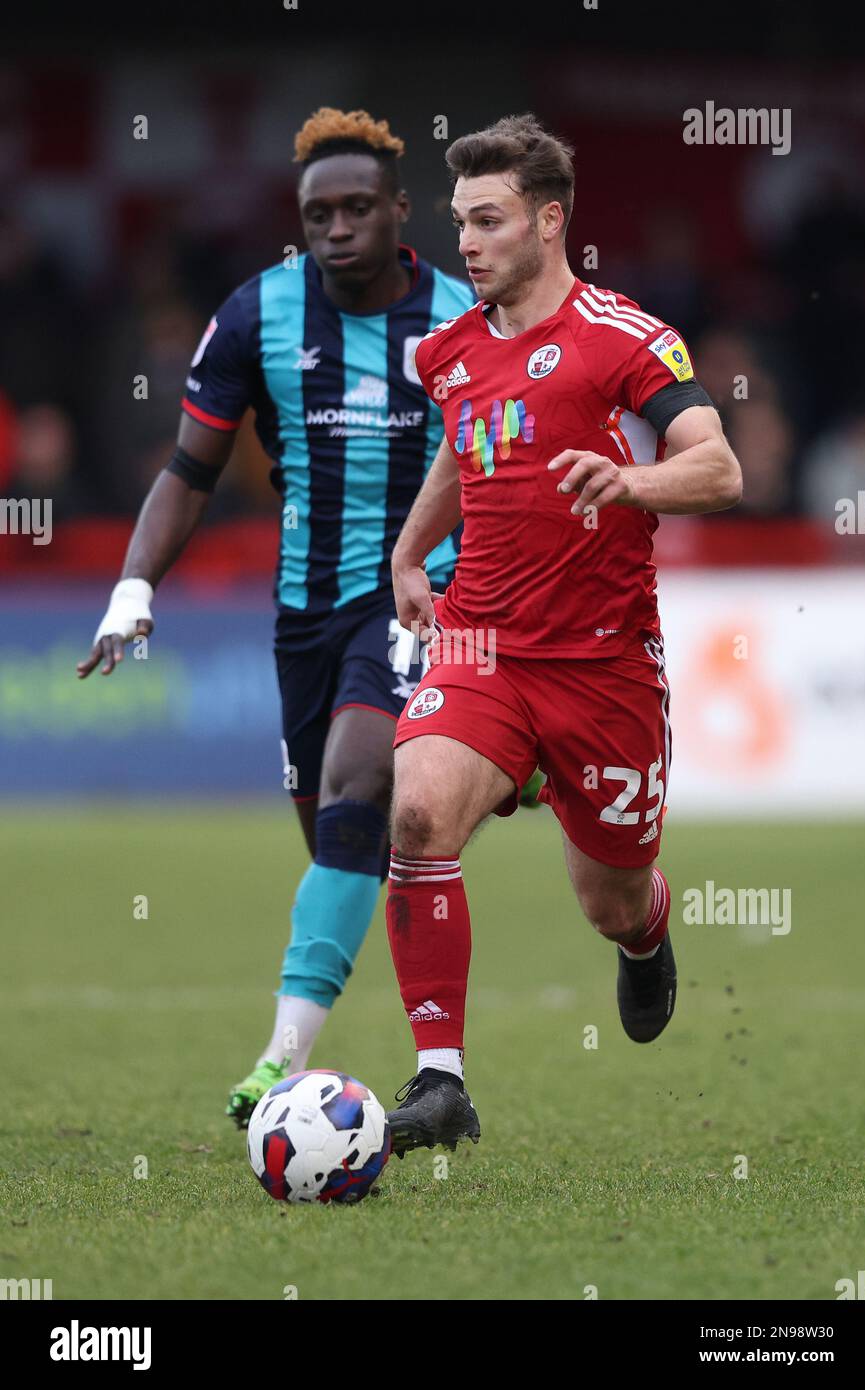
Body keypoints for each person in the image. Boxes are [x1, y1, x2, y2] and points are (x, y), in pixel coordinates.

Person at [76, 108, 474, 1126]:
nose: (336, 228)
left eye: (355, 209)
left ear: (397, 212)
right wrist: (134, 586)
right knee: (341, 833)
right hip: (300, 616)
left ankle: (277, 1066)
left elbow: (493, 467)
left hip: (413, 599)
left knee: (356, 782)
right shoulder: (257, 314)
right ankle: (410, 1029)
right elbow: (188, 469)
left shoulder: (458, 319)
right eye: (316, 214)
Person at [382, 113, 743, 1156]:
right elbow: (463, 454)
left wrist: (629, 479)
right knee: (414, 815)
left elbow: (717, 466)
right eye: (459, 221)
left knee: (609, 895)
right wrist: (411, 555)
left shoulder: (622, 338)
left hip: (602, 666)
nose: (467, 241)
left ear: (548, 223)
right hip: (481, 645)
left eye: (487, 221)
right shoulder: (448, 352)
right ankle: (440, 1079)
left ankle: (645, 932)